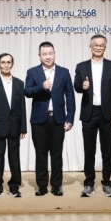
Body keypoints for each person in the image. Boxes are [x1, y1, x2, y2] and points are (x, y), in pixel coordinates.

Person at [74, 34, 111, 198]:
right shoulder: (81, 67)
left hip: (107, 113)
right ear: (90, 47)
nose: (98, 47)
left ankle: (107, 183)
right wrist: (82, 86)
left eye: (101, 45)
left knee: (106, 150)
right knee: (89, 150)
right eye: (96, 45)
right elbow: (76, 86)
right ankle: (88, 183)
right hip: (89, 113)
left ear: (105, 47)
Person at [25, 42, 75, 196]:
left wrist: (70, 118)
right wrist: (41, 86)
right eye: (44, 54)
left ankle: (56, 185)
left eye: (50, 53)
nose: (48, 57)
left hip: (58, 119)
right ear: (39, 56)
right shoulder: (32, 72)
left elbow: (70, 96)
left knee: (56, 154)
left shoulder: (64, 72)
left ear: (54, 54)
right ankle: (41, 185)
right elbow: (27, 91)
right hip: (39, 120)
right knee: (40, 154)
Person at [0, 53, 27, 198]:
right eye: (3, 62)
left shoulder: (19, 83)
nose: (6, 65)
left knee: (14, 157)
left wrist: (23, 127)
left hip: (15, 126)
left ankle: (14, 187)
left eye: (8, 62)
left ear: (12, 64)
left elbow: (22, 106)